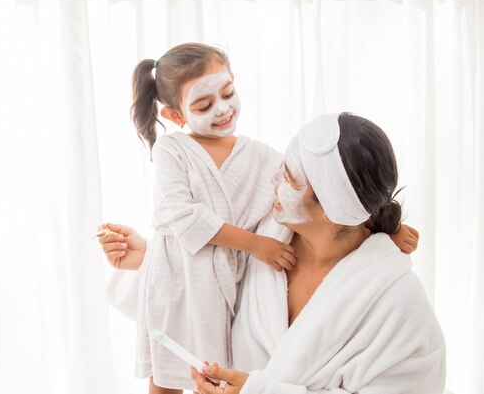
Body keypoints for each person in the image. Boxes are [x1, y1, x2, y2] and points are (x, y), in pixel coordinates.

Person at [107, 42, 420, 394]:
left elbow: (331, 188)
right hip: (181, 287)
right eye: (204, 104)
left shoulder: (256, 158)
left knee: (204, 376)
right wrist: (149, 257)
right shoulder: (175, 152)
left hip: (216, 302)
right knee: (167, 379)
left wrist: (383, 229)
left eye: (228, 93)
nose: (222, 109)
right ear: (175, 116)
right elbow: (184, 227)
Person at [185, 113, 446, 393]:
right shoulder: (260, 239)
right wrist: (139, 263)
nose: (273, 180)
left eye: (289, 179)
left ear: (332, 211)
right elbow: (203, 282)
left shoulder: (399, 304)